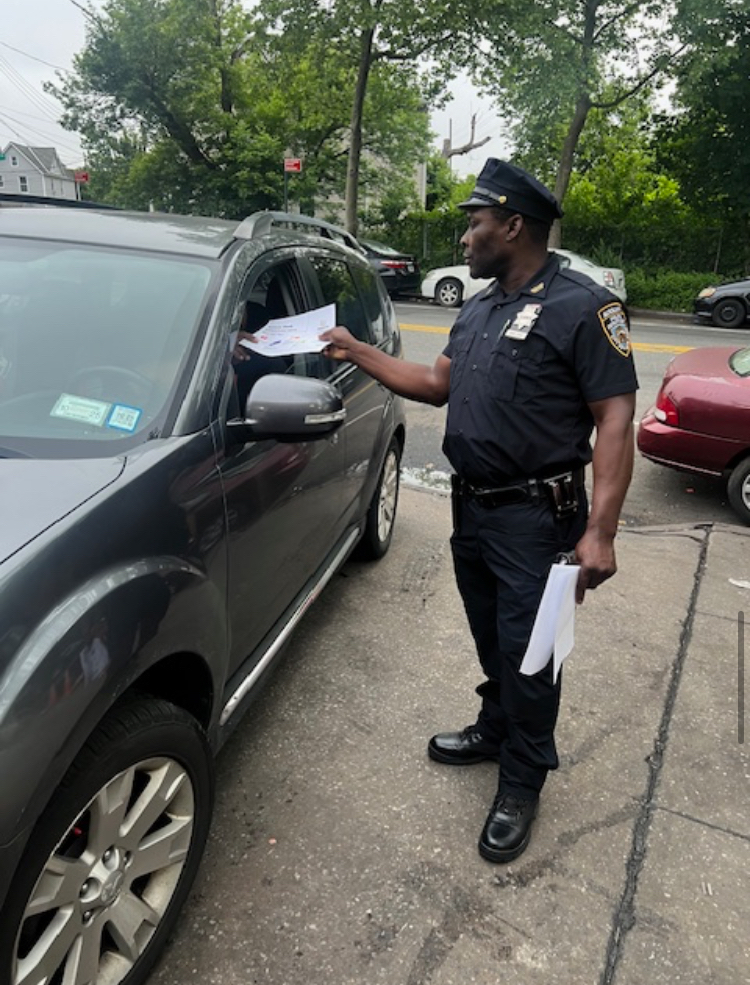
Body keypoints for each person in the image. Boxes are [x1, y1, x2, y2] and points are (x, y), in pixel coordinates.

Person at [321, 159, 638, 864]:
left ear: (513, 225)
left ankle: (523, 778)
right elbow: (437, 384)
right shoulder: (481, 305)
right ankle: (497, 730)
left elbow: (616, 416)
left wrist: (601, 531)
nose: (466, 237)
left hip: (540, 517)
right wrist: (355, 349)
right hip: (476, 510)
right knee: (494, 637)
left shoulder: (584, 307)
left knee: (534, 655)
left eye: (475, 222)